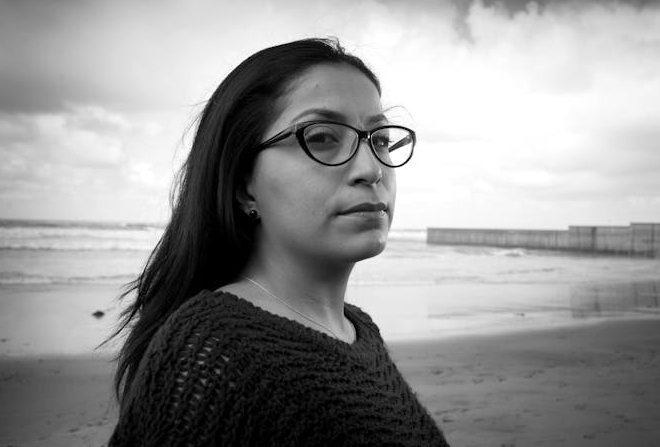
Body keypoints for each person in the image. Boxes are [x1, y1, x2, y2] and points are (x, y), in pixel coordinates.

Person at [107, 38, 449, 446]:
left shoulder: (358, 331)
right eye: (322, 137)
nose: (372, 169)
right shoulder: (216, 347)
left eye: (378, 141)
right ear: (243, 185)